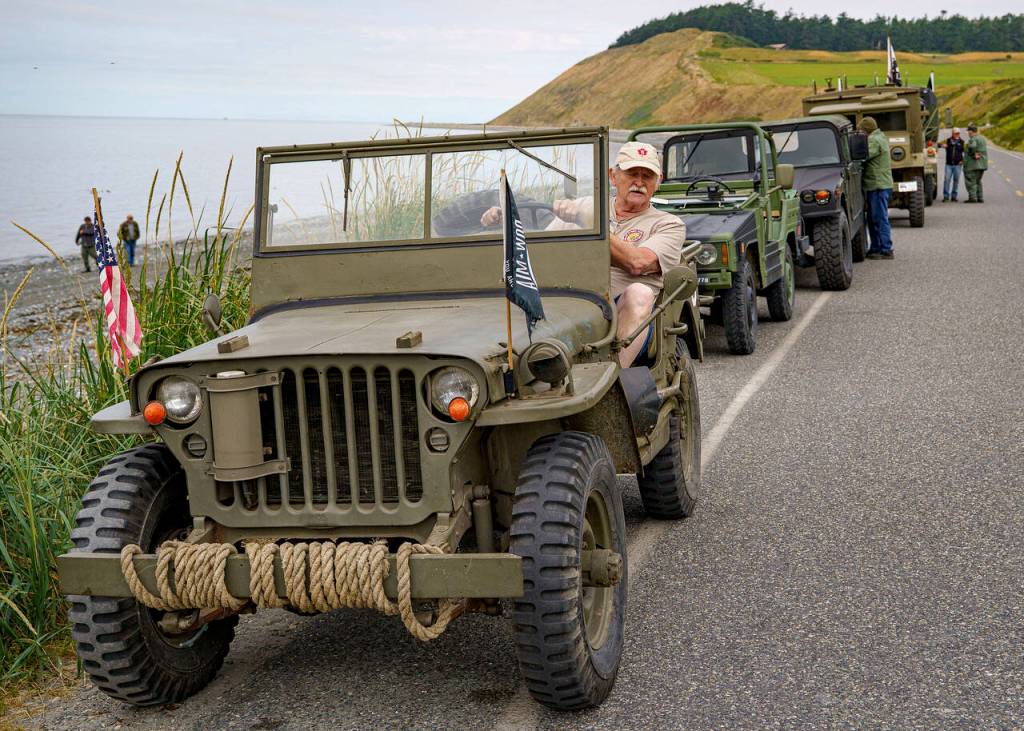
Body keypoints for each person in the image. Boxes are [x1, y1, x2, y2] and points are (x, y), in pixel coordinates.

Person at [481, 142, 685, 367]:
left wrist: (589, 223)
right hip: (574, 302)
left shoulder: (668, 224)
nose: (639, 182)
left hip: (624, 314)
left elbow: (637, 263)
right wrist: (505, 221)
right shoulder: (588, 206)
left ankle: (615, 374)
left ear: (658, 181)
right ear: (613, 176)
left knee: (640, 293)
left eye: (647, 176)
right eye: (632, 173)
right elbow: (540, 251)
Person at [859, 116, 894, 260]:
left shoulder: (873, 140)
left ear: (866, 129)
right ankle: (876, 247)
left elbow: (863, 156)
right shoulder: (880, 137)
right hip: (879, 184)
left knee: (879, 218)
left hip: (878, 185)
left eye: (861, 130)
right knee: (874, 218)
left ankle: (885, 249)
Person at [963, 123, 988, 204]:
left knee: (971, 181)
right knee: (978, 181)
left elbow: (972, 146)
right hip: (982, 164)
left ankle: (972, 198)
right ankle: (980, 197)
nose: (968, 133)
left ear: (971, 131)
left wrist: (973, 154)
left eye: (968, 131)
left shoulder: (973, 139)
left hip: (973, 164)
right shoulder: (982, 138)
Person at [938, 127, 965, 201]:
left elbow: (966, 152)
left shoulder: (962, 142)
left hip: (958, 165)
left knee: (956, 180)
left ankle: (954, 197)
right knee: (947, 180)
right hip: (949, 165)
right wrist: (942, 145)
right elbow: (938, 144)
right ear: (952, 133)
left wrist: (963, 160)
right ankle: (946, 196)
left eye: (958, 133)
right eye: (956, 133)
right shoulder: (947, 140)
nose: (957, 134)